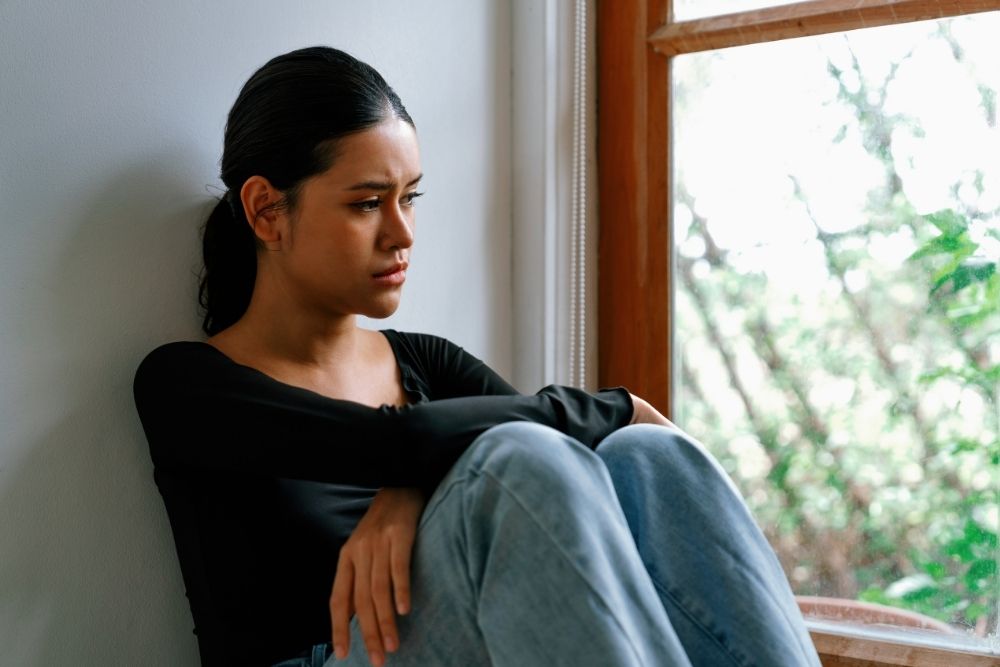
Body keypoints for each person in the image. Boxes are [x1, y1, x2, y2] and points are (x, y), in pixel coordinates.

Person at [132, 46, 821, 667]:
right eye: (368, 202)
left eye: (410, 198)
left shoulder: (425, 365)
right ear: (266, 211)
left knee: (649, 459)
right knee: (518, 458)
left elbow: (493, 463)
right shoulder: (186, 385)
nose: (401, 233)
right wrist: (615, 404)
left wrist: (413, 487)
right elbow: (410, 446)